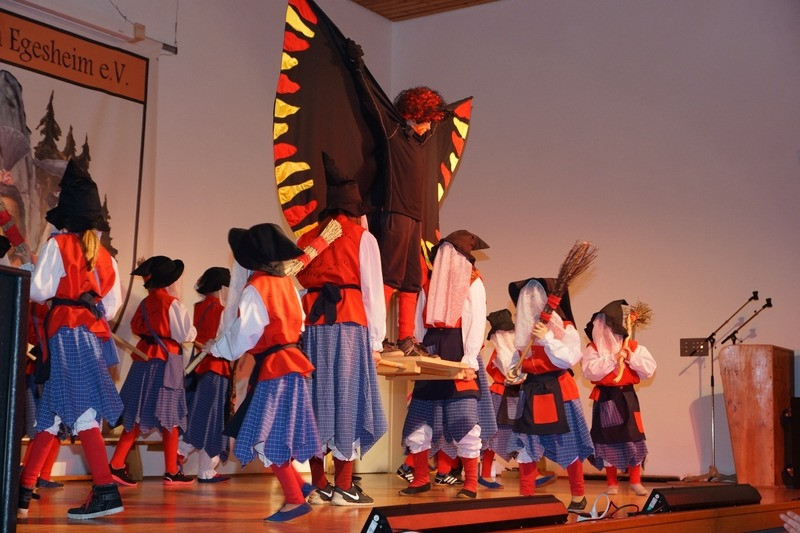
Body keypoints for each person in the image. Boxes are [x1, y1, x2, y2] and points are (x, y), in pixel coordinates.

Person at [19, 159, 124, 519]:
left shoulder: (59, 245)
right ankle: (22, 491)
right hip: (92, 337)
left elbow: (39, 291)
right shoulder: (106, 257)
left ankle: (106, 490)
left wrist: (32, 272)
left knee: (82, 414)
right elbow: (112, 306)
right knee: (52, 416)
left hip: (66, 336)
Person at [209, 222, 321, 522]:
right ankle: (299, 486)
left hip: (274, 369)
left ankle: (295, 500)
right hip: (291, 364)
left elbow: (247, 333)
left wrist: (219, 349)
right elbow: (298, 324)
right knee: (272, 433)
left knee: (267, 435)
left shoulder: (256, 288)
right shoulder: (287, 285)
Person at [294, 154, 387, 506]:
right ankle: (344, 485)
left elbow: (298, 286)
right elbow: (372, 290)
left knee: (315, 401)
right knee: (348, 398)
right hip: (348, 325)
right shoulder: (362, 238)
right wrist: (376, 341)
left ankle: (319, 484)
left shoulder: (308, 239)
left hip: (314, 329)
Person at [399, 230, 488, 499]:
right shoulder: (429, 283)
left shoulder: (473, 281)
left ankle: (470, 483)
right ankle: (420, 479)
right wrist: (416, 352)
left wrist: (469, 359)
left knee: (464, 420)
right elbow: (419, 318)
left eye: (452, 253)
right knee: (419, 420)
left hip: (458, 351)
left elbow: (476, 321)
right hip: (431, 350)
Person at [109, 255, 197, 486]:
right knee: (170, 416)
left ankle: (120, 465)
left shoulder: (145, 303)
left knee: (138, 413)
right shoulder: (173, 303)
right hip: (166, 362)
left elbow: (136, 326)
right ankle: (168, 471)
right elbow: (186, 334)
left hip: (143, 361)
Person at [507, 278, 594, 511]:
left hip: (559, 392)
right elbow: (517, 361)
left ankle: (578, 496)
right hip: (531, 392)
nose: (529, 303)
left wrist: (547, 338)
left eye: (534, 297)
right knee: (527, 445)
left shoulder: (565, 328)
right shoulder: (522, 332)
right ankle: (526, 497)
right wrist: (514, 373)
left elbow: (569, 359)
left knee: (568, 445)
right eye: (525, 299)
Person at [581, 299, 656, 496]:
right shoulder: (593, 349)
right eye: (601, 326)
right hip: (606, 398)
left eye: (607, 326)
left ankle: (635, 481)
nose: (604, 331)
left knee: (633, 438)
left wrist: (630, 357)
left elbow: (649, 370)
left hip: (627, 397)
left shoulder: (633, 346)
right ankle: (612, 483)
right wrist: (613, 358)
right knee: (608, 441)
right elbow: (589, 372)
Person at [179, 266, 232, 483]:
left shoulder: (199, 307)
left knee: (198, 414)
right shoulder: (221, 310)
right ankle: (202, 468)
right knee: (212, 419)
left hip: (198, 367)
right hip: (215, 368)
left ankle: (190, 463)